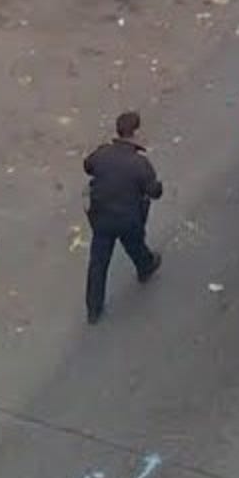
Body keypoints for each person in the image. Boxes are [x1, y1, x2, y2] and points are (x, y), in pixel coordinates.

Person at [82, 111, 163, 324]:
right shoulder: (139, 163)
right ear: (135, 133)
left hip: (101, 217)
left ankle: (93, 309)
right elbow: (154, 191)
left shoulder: (102, 153)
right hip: (128, 218)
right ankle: (145, 266)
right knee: (134, 244)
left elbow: (87, 166)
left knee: (98, 262)